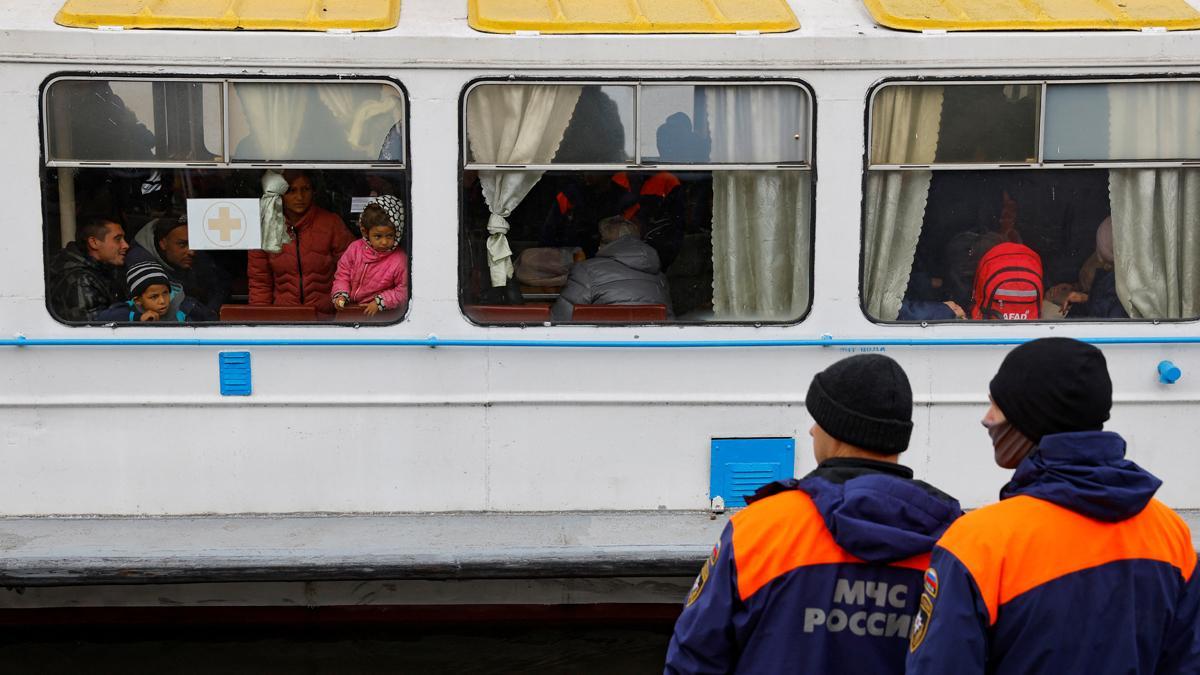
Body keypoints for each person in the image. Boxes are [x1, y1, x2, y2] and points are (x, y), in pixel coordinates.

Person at [907, 338, 1200, 674]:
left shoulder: (978, 542)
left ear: (1031, 415)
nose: (986, 420)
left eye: (996, 405)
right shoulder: (1169, 533)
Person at [665, 355, 962, 674]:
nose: (811, 430)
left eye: (818, 420)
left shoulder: (760, 529)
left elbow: (695, 655)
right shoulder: (955, 541)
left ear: (836, 431)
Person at [248, 170, 355, 315]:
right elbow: (260, 282)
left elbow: (353, 271)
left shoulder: (331, 224)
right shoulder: (266, 227)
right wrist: (261, 321)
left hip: (328, 319)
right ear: (279, 194)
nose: (300, 197)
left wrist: (345, 316)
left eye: (306, 189)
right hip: (283, 319)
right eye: (291, 190)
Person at [551, 216, 672, 322]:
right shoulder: (659, 275)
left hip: (605, 344)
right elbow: (670, 321)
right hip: (652, 344)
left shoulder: (586, 270)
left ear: (603, 244)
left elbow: (560, 318)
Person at [127, 216, 228, 321]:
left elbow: (220, 283)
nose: (191, 252)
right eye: (182, 244)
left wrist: (211, 310)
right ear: (163, 243)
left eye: (193, 244)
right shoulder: (140, 259)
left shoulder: (194, 254)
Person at [332, 195, 409, 317]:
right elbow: (343, 274)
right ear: (365, 232)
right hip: (350, 310)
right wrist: (341, 294)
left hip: (381, 315)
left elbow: (403, 290)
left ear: (397, 233)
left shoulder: (399, 259)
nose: (384, 242)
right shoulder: (355, 249)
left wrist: (380, 302)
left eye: (389, 236)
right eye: (378, 236)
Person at [46, 216, 130, 321]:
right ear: (94, 243)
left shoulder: (104, 268)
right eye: (118, 239)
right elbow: (95, 328)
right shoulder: (80, 280)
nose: (126, 245)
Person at [97, 261, 204, 323]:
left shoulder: (186, 307)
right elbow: (103, 317)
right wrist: (138, 318)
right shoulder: (129, 309)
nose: (162, 301)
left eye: (165, 293)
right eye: (154, 297)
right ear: (138, 300)